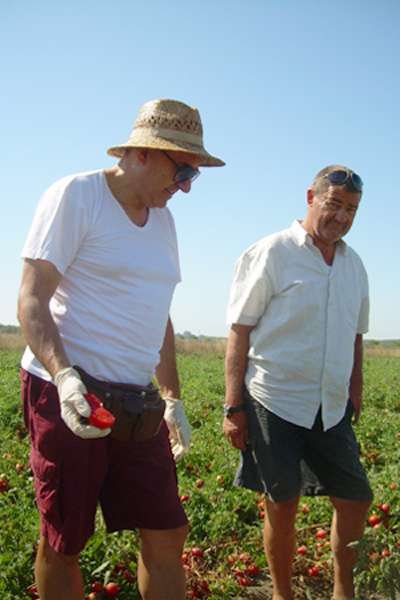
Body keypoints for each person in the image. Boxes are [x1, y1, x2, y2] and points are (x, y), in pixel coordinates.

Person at [17, 98, 224, 600]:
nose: (185, 188)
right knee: (65, 540)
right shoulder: (78, 196)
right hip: (70, 392)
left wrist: (171, 398)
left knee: (167, 530)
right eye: (182, 173)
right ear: (144, 153)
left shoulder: (164, 222)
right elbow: (31, 298)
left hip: (137, 402)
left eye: (193, 177)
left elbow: (160, 314)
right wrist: (66, 378)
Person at [223, 165, 372, 600]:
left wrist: (355, 389)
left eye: (352, 209)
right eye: (334, 205)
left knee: (356, 498)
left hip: (331, 403)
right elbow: (240, 331)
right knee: (282, 503)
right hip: (275, 400)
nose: (342, 217)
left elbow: (355, 335)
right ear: (311, 197)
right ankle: (282, 594)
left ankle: (343, 589)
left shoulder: (354, 265)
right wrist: (234, 406)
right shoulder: (272, 252)